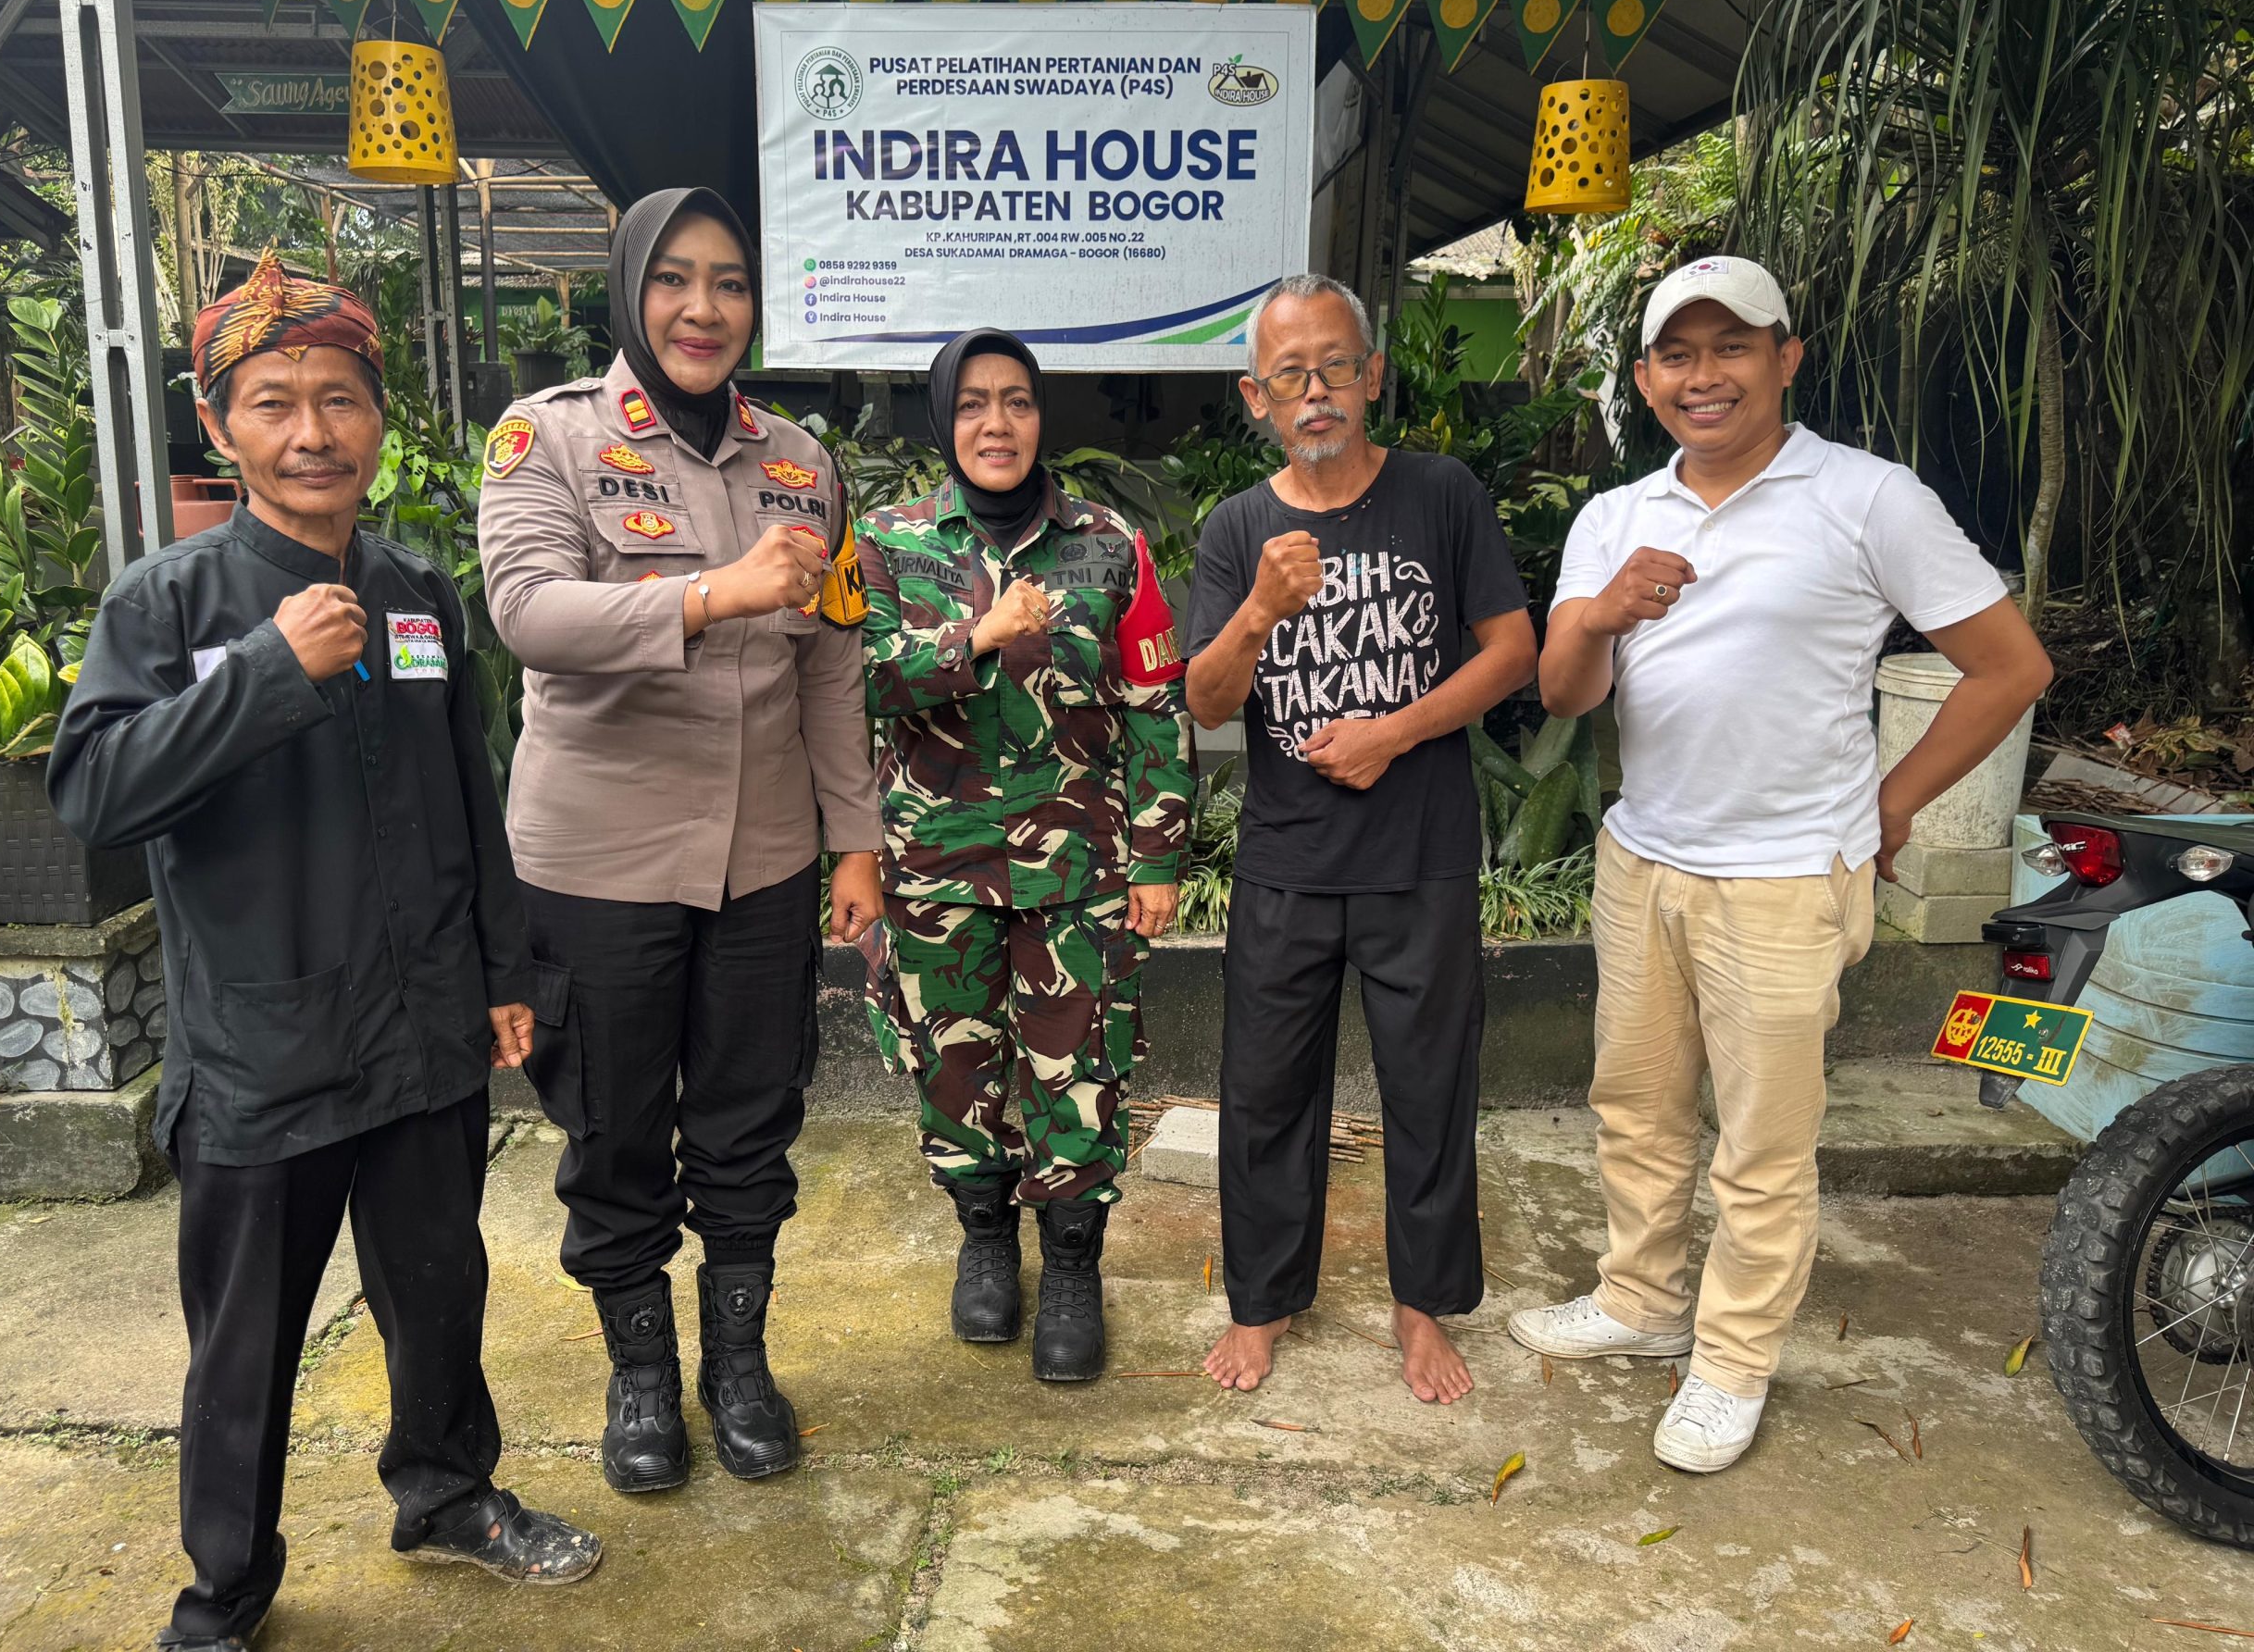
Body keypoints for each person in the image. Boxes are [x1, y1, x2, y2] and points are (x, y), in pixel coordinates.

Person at [48, 249, 601, 1652]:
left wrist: (504, 976)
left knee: (440, 1290)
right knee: (246, 1343)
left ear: (378, 417)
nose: (312, 433)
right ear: (217, 423)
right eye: (275, 403)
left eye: (341, 398)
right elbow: (96, 794)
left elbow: (472, 791)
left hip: (422, 1029)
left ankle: (448, 1493)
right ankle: (226, 1588)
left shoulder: (417, 591)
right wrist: (262, 674)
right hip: (262, 1047)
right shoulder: (166, 607)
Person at [1507, 255, 2053, 1472]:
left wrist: (1889, 804)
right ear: (1645, 377)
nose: (1704, 376)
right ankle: (1641, 1300)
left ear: (1785, 358)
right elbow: (1563, 692)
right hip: (1643, 858)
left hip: (1786, 876)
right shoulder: (1616, 518)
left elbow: (2010, 667)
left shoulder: (1867, 498)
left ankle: (1731, 1362)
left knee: (1761, 1143)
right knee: (1634, 1106)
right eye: (1678, 355)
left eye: (1732, 347)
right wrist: (1600, 614)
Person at [476, 186, 882, 1493]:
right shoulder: (547, 438)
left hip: (763, 859)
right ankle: (641, 1373)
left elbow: (831, 663)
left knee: (750, 1121)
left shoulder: (802, 463)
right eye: (673, 279)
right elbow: (528, 612)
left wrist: (856, 840)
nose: (702, 308)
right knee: (613, 1129)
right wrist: (711, 594)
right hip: (598, 863)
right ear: (629, 291)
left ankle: (737, 1365)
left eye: (729, 282)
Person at [1182, 273, 1538, 1403]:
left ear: (1372, 374)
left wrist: (1395, 732)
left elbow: (1513, 651)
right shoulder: (1238, 528)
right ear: (1256, 396)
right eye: (1290, 374)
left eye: (1335, 365)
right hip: (1287, 861)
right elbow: (1203, 700)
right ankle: (1262, 1302)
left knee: (1428, 1088)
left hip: (1418, 855)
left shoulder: (1440, 494)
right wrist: (1257, 611)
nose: (1316, 392)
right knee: (1264, 1096)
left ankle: (1420, 1308)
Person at [856, 329, 1193, 1382]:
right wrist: (979, 636)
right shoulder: (886, 541)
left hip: (1077, 865)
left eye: (1015, 401)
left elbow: (1156, 704)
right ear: (941, 420)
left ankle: (1075, 1266)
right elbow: (854, 681)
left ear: (1041, 417)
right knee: (953, 1063)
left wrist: (1157, 856)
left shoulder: (1110, 544)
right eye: (971, 404)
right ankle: (987, 1243)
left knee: (1078, 1066)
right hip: (933, 865)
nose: (995, 424)